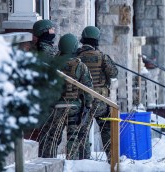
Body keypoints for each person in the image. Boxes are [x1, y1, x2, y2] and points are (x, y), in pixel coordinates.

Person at [38, 33, 93, 160]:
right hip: (75, 106)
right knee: (73, 137)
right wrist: (88, 105)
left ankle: (48, 161)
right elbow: (88, 88)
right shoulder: (80, 66)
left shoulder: (53, 64)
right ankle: (73, 162)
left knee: (52, 136)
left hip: (57, 105)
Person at [77, 26, 118, 161]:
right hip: (100, 101)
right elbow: (113, 73)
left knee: (82, 132)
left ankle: (83, 161)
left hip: (82, 101)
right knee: (107, 129)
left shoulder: (76, 56)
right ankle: (112, 160)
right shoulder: (102, 57)